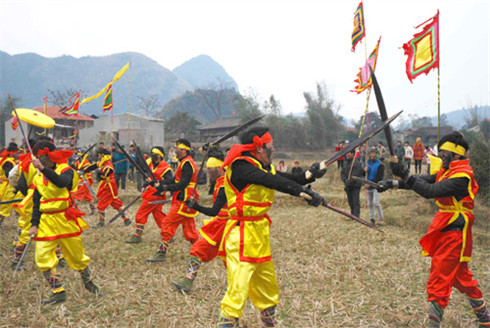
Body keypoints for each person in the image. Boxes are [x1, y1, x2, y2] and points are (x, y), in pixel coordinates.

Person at [213, 127, 326, 328]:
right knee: (239, 283)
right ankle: (227, 320)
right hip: (241, 233)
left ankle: (267, 320)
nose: (273, 151)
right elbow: (270, 181)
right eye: (270, 148)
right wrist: (300, 192)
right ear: (258, 148)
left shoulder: (262, 166)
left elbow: (286, 179)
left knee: (266, 281)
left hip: (259, 233)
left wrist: (311, 173)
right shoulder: (241, 167)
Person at [380, 132, 490, 328]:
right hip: (446, 226)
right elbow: (422, 181)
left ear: (457, 155)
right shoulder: (446, 172)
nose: (440, 155)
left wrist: (405, 174)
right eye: (440, 152)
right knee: (461, 278)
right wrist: (392, 183)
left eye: (444, 152)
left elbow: (430, 192)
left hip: (454, 231)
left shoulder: (462, 177)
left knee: (439, 279)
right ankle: (485, 318)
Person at [28, 141, 101, 305]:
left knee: (76, 256)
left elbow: (61, 182)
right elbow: (36, 202)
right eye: (37, 157)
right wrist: (34, 224)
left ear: (49, 156)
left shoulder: (67, 170)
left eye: (40, 156)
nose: (37, 159)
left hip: (65, 219)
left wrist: (42, 169)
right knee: (41, 257)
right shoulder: (37, 176)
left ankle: (89, 283)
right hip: (46, 222)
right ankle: (58, 291)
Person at [171, 149, 228, 293]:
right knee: (198, 249)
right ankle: (188, 280)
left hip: (226, 226)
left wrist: (195, 206)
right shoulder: (221, 183)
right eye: (207, 171)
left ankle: (239, 286)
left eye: (211, 171)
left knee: (231, 260)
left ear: (220, 169)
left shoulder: (224, 186)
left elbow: (214, 211)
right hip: (219, 225)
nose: (208, 174)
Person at [146, 139, 200, 263]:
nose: (174, 151)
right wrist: (159, 183)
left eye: (177, 149)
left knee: (167, 223)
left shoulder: (187, 164)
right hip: (184, 199)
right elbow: (175, 180)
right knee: (189, 229)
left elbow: (182, 184)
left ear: (184, 150)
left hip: (184, 199)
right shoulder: (184, 162)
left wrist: (164, 188)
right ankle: (199, 252)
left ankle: (161, 252)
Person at [126, 146, 173, 244]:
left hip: (155, 194)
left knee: (140, 214)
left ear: (160, 156)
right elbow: (149, 177)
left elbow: (170, 182)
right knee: (159, 216)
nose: (153, 156)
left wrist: (159, 184)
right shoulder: (151, 164)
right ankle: (168, 234)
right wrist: (144, 185)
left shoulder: (166, 168)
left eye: (155, 154)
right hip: (150, 192)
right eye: (152, 154)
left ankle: (138, 235)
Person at [81, 148, 132, 228]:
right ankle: (126, 219)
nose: (98, 157)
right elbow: (92, 166)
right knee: (116, 204)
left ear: (103, 156)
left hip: (109, 187)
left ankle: (101, 223)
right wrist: (83, 171)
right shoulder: (102, 163)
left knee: (100, 205)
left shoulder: (108, 166)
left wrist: (98, 172)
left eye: (99, 156)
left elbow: (104, 176)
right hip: (107, 185)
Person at [0, 143, 20, 228]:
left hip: (4, 184)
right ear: (12, 153)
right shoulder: (8, 162)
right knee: (4, 208)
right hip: (8, 186)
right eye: (16, 152)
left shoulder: (4, 160)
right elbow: (9, 174)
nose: (18, 154)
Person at [340, 150, 365, 218]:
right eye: (347, 152)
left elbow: (355, 175)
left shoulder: (356, 163)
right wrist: (345, 180)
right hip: (348, 185)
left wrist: (348, 181)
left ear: (353, 154)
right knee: (350, 201)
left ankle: (356, 217)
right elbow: (342, 173)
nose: (347, 154)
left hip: (355, 185)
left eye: (349, 153)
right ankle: (352, 215)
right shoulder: (345, 162)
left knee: (355, 201)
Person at [364, 147, 385, 225]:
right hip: (368, 186)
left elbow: (379, 177)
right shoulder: (367, 163)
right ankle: (372, 219)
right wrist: (364, 170)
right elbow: (364, 175)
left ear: (377, 154)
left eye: (374, 153)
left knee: (376, 202)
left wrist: (369, 183)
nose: (372, 154)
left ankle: (381, 219)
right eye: (371, 153)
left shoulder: (380, 164)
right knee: (370, 203)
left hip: (376, 186)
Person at [73, 150, 97, 215]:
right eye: (78, 155)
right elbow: (74, 168)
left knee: (78, 195)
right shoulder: (77, 162)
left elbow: (85, 169)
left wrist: (82, 171)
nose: (78, 156)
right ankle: (94, 210)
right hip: (80, 181)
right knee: (88, 196)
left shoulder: (86, 163)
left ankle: (74, 209)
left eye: (79, 155)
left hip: (86, 181)